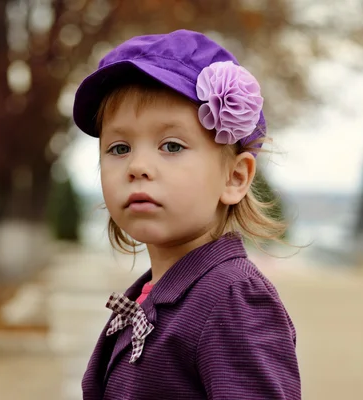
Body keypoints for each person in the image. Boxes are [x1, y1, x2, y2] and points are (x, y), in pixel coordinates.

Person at [72, 29, 301, 400]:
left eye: (172, 145)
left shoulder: (232, 297)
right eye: (119, 147)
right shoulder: (151, 293)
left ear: (234, 177)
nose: (138, 166)